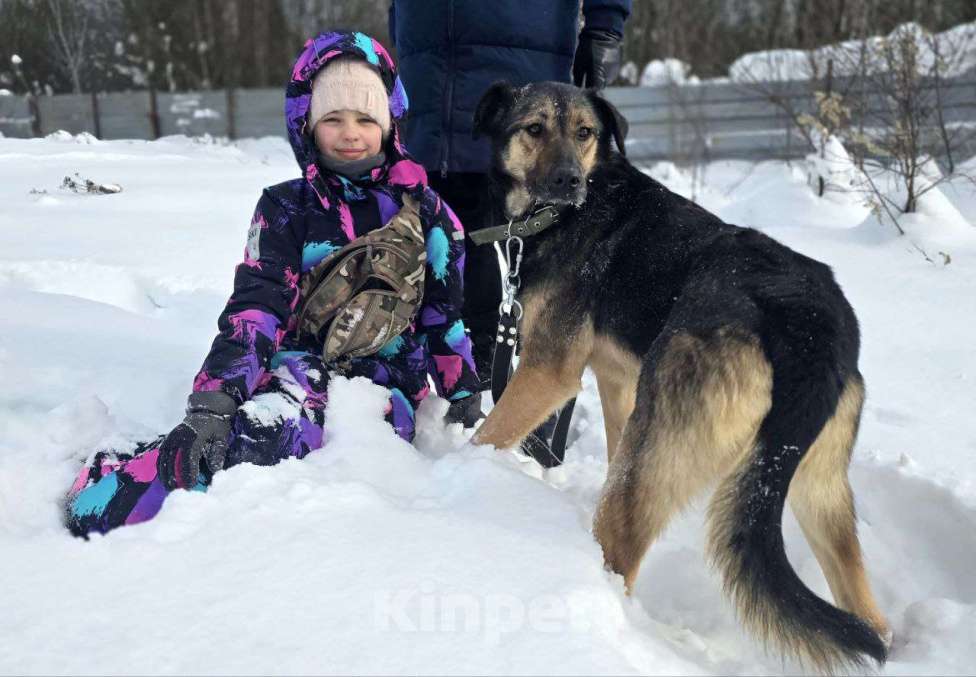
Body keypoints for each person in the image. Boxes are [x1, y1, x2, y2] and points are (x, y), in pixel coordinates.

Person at [64, 30, 479, 537]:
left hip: (387, 390)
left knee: (340, 454)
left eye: (366, 118)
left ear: (391, 123)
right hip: (297, 372)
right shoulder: (285, 209)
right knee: (259, 439)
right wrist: (214, 402)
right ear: (306, 124)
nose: (351, 132)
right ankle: (112, 494)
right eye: (333, 118)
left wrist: (463, 393)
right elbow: (256, 307)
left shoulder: (432, 216)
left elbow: (445, 317)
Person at [388, 0, 632, 459]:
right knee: (433, 240)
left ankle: (497, 389)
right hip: (428, 65)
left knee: (513, 251)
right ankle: (442, 383)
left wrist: (605, 25)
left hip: (521, 50)